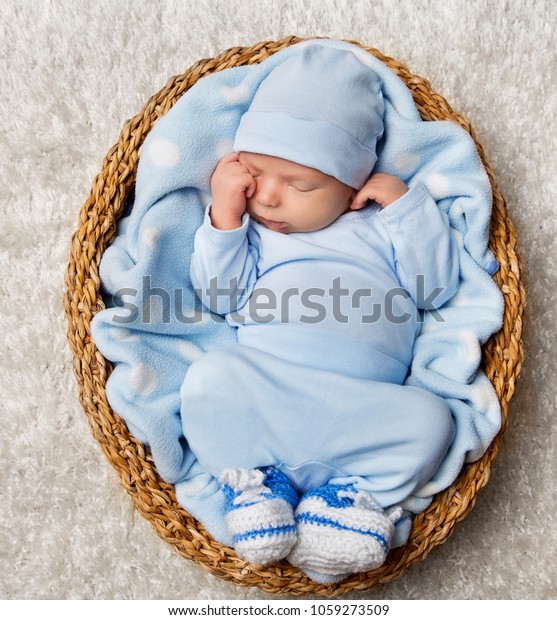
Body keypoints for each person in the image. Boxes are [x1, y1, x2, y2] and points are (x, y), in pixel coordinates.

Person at [180, 45, 459, 579]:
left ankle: (345, 502)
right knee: (209, 379)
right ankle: (259, 485)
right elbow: (218, 296)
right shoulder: (254, 235)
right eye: (257, 173)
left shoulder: (381, 225)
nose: (270, 198)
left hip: (361, 412)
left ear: (353, 183)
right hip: (271, 395)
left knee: (432, 421)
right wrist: (223, 215)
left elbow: (434, 288)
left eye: (301, 185)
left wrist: (406, 208)